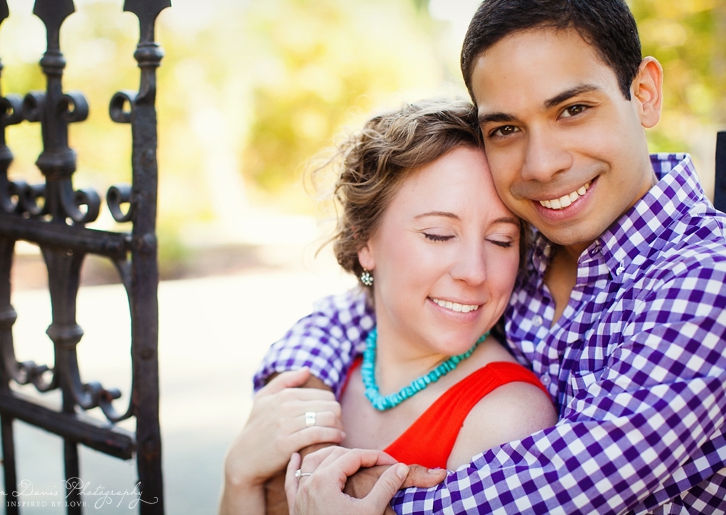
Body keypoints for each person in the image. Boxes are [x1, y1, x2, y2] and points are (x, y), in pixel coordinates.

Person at [255, 0, 726, 513]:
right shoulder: (529, 240)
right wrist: (303, 407)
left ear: (644, 93)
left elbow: (580, 477)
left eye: (573, 110)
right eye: (505, 129)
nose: (542, 165)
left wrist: (364, 496)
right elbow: (362, 306)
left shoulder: (707, 272)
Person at [220, 98, 558, 514]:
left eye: (501, 240)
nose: (475, 272)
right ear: (366, 241)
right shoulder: (326, 368)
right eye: (438, 234)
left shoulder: (508, 419)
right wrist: (239, 476)